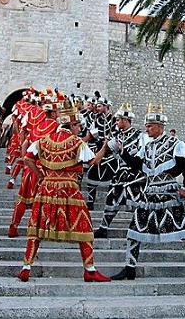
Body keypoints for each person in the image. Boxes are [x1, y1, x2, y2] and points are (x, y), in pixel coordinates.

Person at [17, 99, 111, 283]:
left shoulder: (44, 141)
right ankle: (89, 269)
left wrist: (42, 176)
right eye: (78, 126)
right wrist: (105, 147)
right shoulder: (76, 143)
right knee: (84, 227)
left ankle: (26, 268)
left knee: (36, 228)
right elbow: (92, 162)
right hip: (69, 189)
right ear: (72, 124)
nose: (79, 129)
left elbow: (27, 159)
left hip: (47, 188)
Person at [111, 103, 185, 283]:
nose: (146, 129)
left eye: (150, 126)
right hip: (149, 193)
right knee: (134, 230)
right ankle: (130, 269)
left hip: (169, 193)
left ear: (160, 127)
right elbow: (137, 165)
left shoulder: (175, 143)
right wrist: (122, 152)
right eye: (146, 126)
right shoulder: (148, 147)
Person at [8, 92, 61, 238]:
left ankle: (14, 226)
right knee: (44, 200)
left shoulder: (37, 126)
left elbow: (25, 143)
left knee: (23, 200)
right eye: (58, 111)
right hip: (45, 169)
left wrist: (26, 160)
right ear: (54, 113)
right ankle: (41, 229)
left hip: (30, 169)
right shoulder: (57, 127)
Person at [93, 103, 149, 238]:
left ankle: (143, 227)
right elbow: (105, 151)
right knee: (111, 199)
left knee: (139, 201)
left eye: (118, 120)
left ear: (125, 120)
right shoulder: (116, 136)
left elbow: (142, 154)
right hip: (120, 173)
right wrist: (102, 149)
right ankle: (103, 228)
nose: (116, 122)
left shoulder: (139, 135)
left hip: (135, 173)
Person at [83, 93, 118, 210]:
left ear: (105, 106)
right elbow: (91, 134)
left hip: (111, 153)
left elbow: (117, 134)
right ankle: (90, 201)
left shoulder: (115, 119)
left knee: (115, 177)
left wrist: (109, 143)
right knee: (91, 174)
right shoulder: (96, 119)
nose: (97, 108)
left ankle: (113, 201)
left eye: (99, 106)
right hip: (99, 151)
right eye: (96, 106)